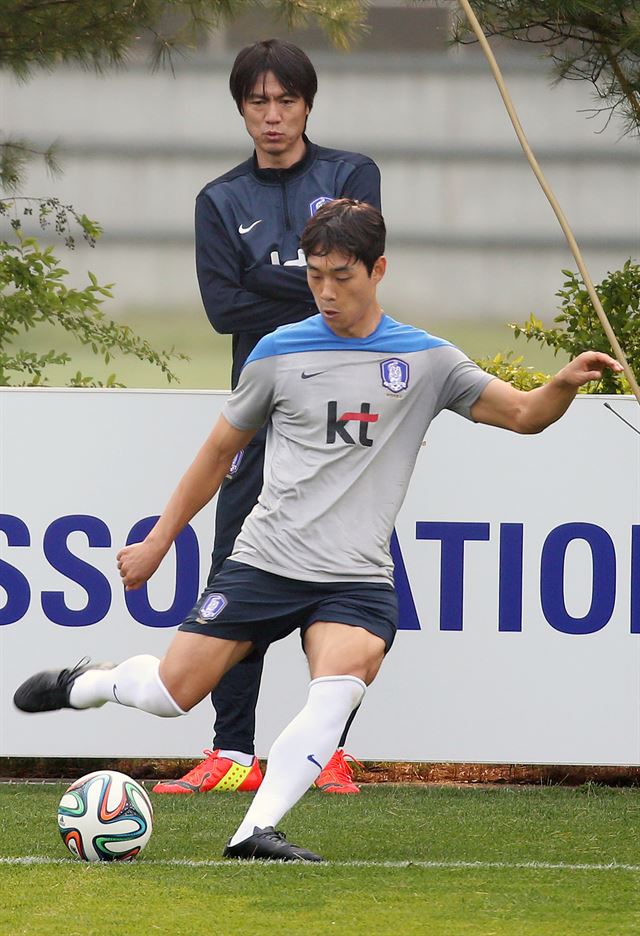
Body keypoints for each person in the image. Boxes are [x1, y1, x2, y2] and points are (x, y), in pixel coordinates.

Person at [14, 200, 622, 862]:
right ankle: (92, 682)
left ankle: (254, 831)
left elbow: (527, 415)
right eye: (314, 276)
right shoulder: (279, 352)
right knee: (170, 695)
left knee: (343, 680)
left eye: (342, 276)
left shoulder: (427, 361)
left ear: (378, 269)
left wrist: (563, 382)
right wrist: (161, 539)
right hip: (266, 560)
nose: (326, 292)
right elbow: (219, 453)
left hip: (356, 578)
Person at [154, 38, 383, 797]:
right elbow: (226, 310)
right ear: (242, 110)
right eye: (259, 102)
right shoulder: (221, 199)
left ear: (307, 105)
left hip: (347, 408)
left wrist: (273, 279)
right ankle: (231, 752)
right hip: (264, 404)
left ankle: (327, 752)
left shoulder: (350, 175)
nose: (273, 115)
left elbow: (356, 281)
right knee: (236, 564)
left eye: (286, 100)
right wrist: (316, 283)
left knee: (343, 575)